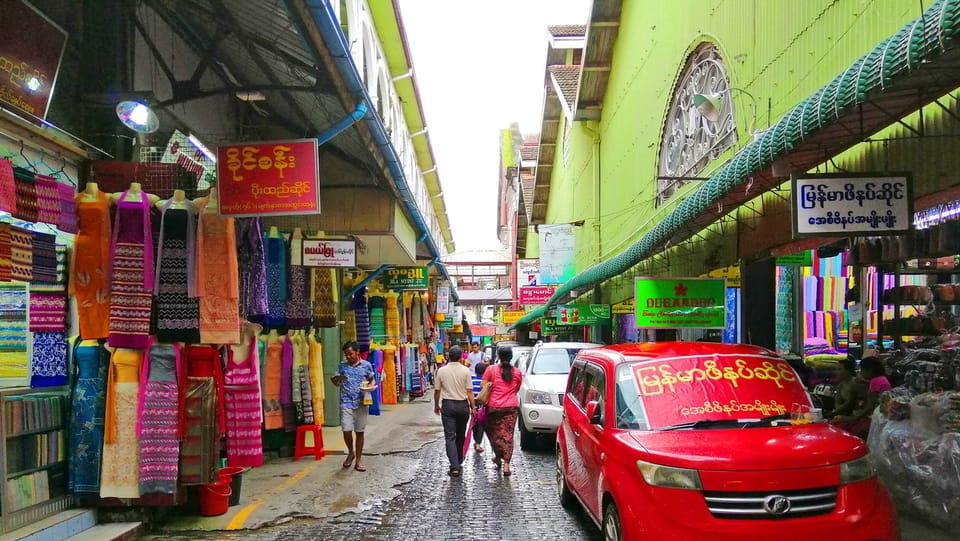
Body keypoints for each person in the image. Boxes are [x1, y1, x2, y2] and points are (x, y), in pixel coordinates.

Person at [331, 341, 375, 472]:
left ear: (357, 352)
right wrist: (336, 380)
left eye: (350, 354)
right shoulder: (342, 366)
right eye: (346, 355)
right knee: (346, 429)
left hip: (362, 402)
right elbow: (336, 382)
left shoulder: (366, 365)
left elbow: (372, 379)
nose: (348, 357)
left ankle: (359, 460)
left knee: (360, 432)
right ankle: (351, 452)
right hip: (346, 402)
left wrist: (370, 385)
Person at [433, 346, 476, 477]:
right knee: (460, 434)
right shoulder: (465, 371)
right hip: (463, 406)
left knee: (450, 437)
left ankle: (454, 465)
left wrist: (436, 405)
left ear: (448, 356)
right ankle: (458, 460)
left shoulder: (441, 371)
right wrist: (473, 407)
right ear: (460, 357)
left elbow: (437, 391)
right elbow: (469, 392)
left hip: (448, 405)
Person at [481, 345, 522, 476]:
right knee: (508, 435)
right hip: (511, 407)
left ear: (498, 356)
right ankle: (506, 465)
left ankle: (498, 457)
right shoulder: (517, 372)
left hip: (493, 407)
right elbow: (517, 388)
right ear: (511, 357)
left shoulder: (491, 370)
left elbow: (483, 386)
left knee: (494, 433)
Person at [470, 358, 491, 453]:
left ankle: (476, 442)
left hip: (473, 406)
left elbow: (469, 393)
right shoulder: (485, 383)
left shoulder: (472, 381)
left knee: (474, 425)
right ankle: (478, 444)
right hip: (482, 408)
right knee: (481, 425)